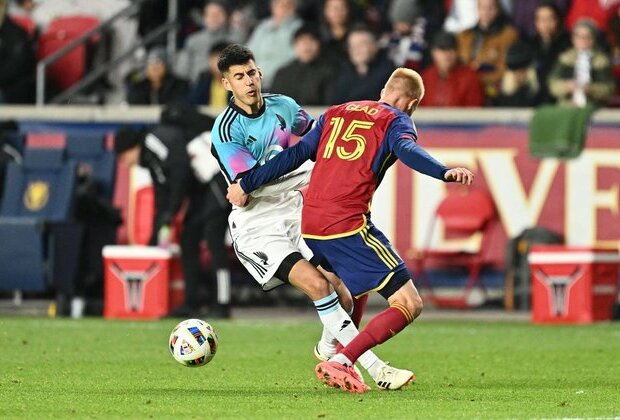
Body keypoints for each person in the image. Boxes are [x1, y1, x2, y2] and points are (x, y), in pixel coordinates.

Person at [227, 67, 474, 393]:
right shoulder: (396, 120)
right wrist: (443, 172)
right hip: (345, 224)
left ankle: (334, 350)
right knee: (409, 303)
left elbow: (297, 154)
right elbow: (407, 150)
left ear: (385, 89)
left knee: (357, 286)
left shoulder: (336, 112)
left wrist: (247, 181)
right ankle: (341, 361)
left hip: (311, 223)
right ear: (411, 104)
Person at [211, 44, 414, 391]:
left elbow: (319, 137)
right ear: (227, 83)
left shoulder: (284, 106)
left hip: (295, 211)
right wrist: (310, 174)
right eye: (239, 77)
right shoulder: (226, 130)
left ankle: (328, 348)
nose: (249, 82)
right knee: (318, 286)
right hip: (258, 225)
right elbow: (250, 185)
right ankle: (375, 367)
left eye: (252, 73)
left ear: (260, 73)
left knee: (345, 293)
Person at [114, 104, 232, 318]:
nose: (125, 164)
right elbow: (162, 199)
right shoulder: (151, 159)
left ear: (131, 148)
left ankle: (222, 304)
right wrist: (155, 237)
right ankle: (191, 303)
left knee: (214, 240)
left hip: (216, 181)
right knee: (188, 239)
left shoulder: (154, 141)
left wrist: (172, 210)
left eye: (123, 157)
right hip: (201, 187)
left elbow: (180, 171)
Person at [548, 18, 615, 107]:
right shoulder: (565, 59)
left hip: (593, 106)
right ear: (573, 39)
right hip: (567, 106)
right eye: (579, 37)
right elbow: (553, 84)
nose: (583, 40)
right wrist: (567, 86)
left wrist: (590, 89)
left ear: (594, 39)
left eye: (588, 37)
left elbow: (609, 88)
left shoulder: (601, 61)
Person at [175, 0, 243, 84]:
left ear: (226, 16)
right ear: (204, 18)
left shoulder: (237, 39)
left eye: (217, 14)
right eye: (209, 14)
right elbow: (181, 71)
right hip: (196, 86)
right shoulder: (193, 40)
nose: (213, 18)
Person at [328, 25, 395, 104]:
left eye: (361, 44)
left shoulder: (390, 73)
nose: (356, 49)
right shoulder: (340, 72)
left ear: (375, 46)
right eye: (352, 45)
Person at [271, 25, 336, 105]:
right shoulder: (283, 74)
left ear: (319, 45)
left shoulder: (329, 72)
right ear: (295, 45)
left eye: (312, 40)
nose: (307, 45)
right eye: (303, 41)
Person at [421, 31, 485, 106]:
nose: (447, 54)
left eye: (451, 49)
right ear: (433, 53)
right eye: (442, 50)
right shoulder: (426, 77)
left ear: (457, 52)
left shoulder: (470, 78)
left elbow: (474, 112)